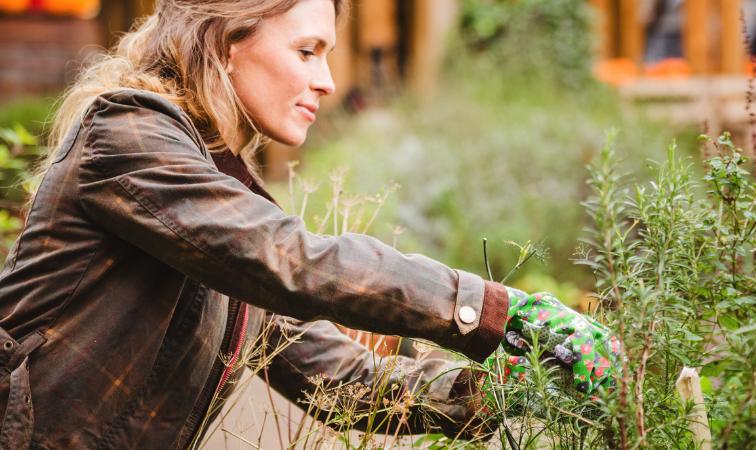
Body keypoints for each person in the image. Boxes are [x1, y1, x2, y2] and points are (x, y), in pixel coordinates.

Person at [0, 0, 617, 448]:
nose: (325, 81)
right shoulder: (127, 136)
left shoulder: (217, 198)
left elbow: (336, 375)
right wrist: (492, 311)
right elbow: (290, 259)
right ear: (225, 42)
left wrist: (496, 394)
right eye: (305, 51)